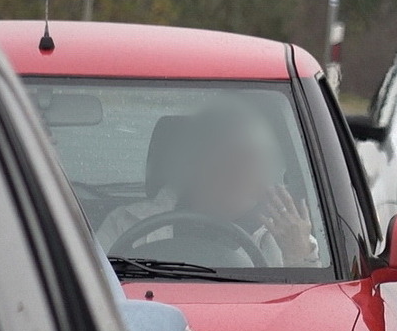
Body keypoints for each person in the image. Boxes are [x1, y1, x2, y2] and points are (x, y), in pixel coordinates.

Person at [97, 99, 318, 267]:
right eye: (221, 160)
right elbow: (90, 289)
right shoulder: (126, 222)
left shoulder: (287, 234)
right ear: (193, 165)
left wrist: (298, 255)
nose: (235, 173)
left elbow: (309, 312)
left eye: (246, 160)